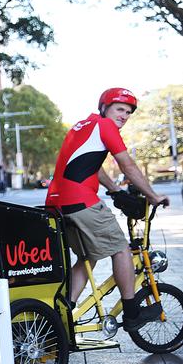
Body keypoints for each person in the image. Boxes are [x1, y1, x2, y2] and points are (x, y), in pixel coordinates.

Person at [46, 87, 169, 332]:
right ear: (104, 108)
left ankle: (62, 312)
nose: (124, 115)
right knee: (122, 250)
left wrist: (114, 190)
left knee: (87, 258)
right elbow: (128, 165)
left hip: (57, 203)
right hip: (81, 201)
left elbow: (93, 166)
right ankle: (132, 312)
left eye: (128, 112)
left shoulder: (84, 126)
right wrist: (152, 196)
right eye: (119, 109)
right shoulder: (105, 126)